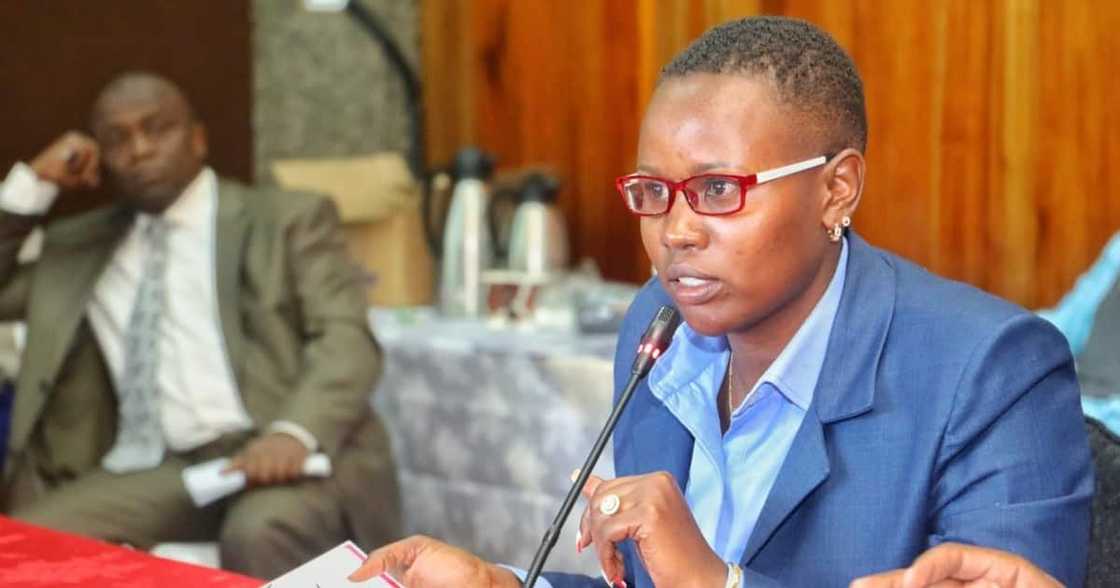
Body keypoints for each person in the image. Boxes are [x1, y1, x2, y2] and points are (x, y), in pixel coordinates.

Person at [347, 16, 1092, 588]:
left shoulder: (990, 372)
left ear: (836, 189)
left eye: (716, 190)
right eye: (653, 192)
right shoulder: (657, 329)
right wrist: (506, 585)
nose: (675, 231)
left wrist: (718, 583)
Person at [0, 72, 400, 578]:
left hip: (288, 452)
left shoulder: (285, 220)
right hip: (167, 468)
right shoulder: (82, 247)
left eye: (156, 129)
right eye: (117, 139)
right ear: (99, 158)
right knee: (28, 542)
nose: (139, 149)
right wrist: (31, 186)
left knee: (259, 531)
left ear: (197, 138)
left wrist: (293, 433)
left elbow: (347, 340)